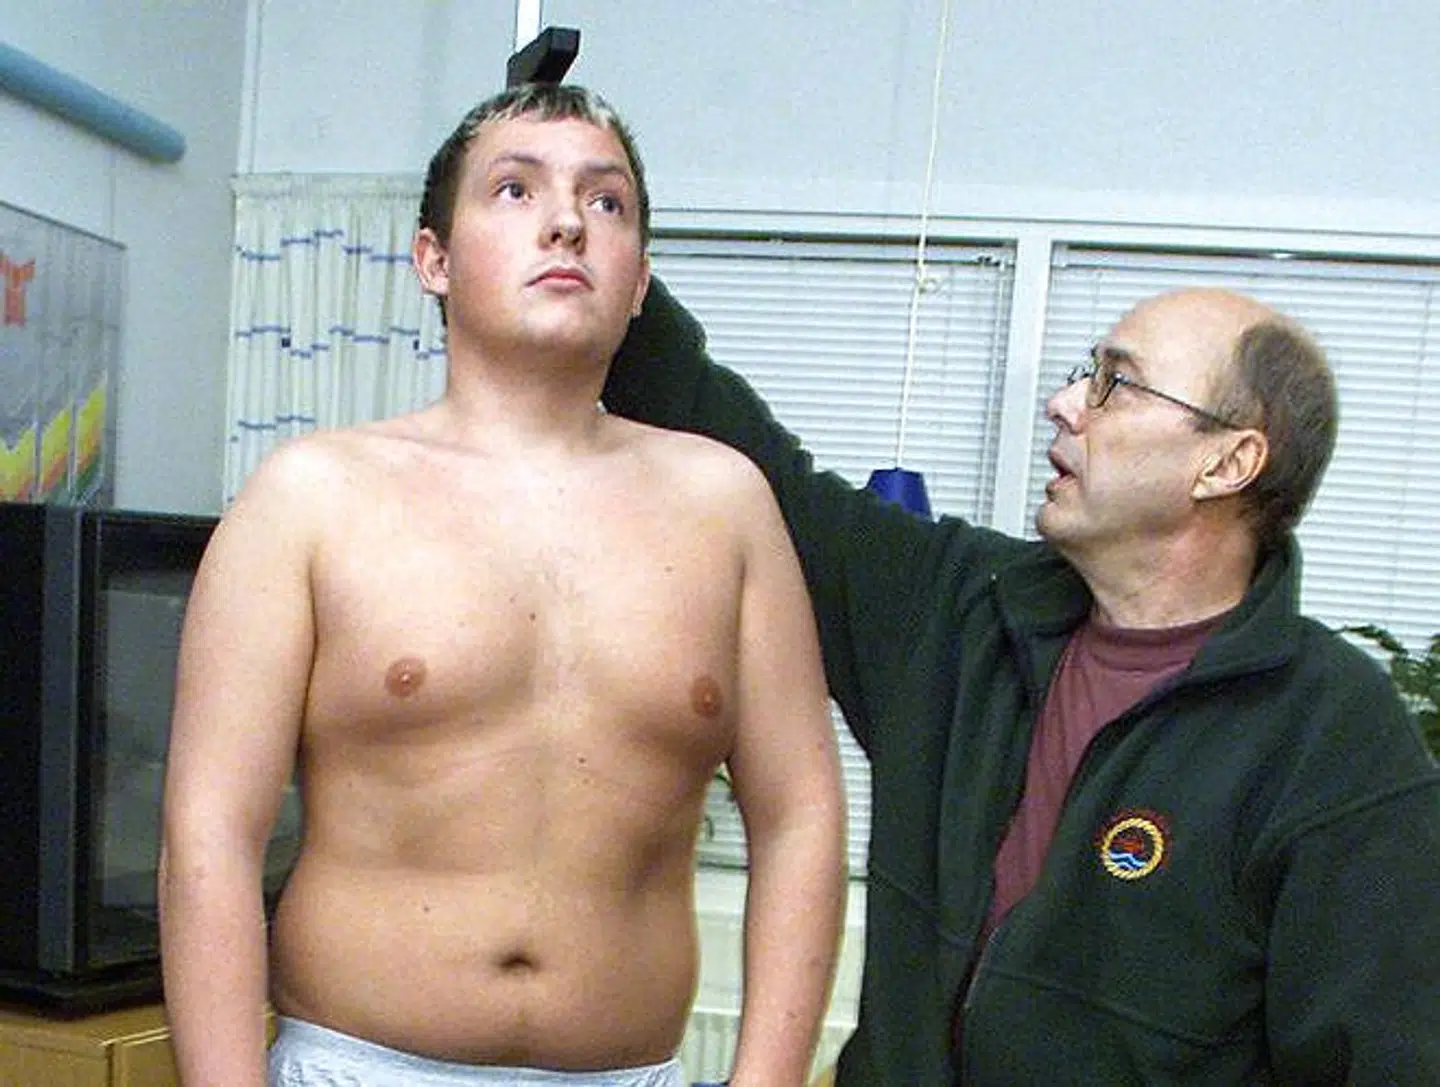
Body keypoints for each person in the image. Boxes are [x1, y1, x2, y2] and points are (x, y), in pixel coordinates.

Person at [159, 83, 847, 1087]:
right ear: (432, 259)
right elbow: (210, 833)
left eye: (606, 201)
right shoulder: (308, 498)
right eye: (516, 189)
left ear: (640, 280)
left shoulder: (727, 506)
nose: (568, 221)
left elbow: (801, 817)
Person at [603, 280, 1440, 1084]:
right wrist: (608, 262)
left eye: (1116, 384)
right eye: (1086, 373)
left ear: (1228, 462)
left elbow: (1382, 1060)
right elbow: (754, 466)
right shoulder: (963, 609)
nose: (1065, 403)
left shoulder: (1334, 736)